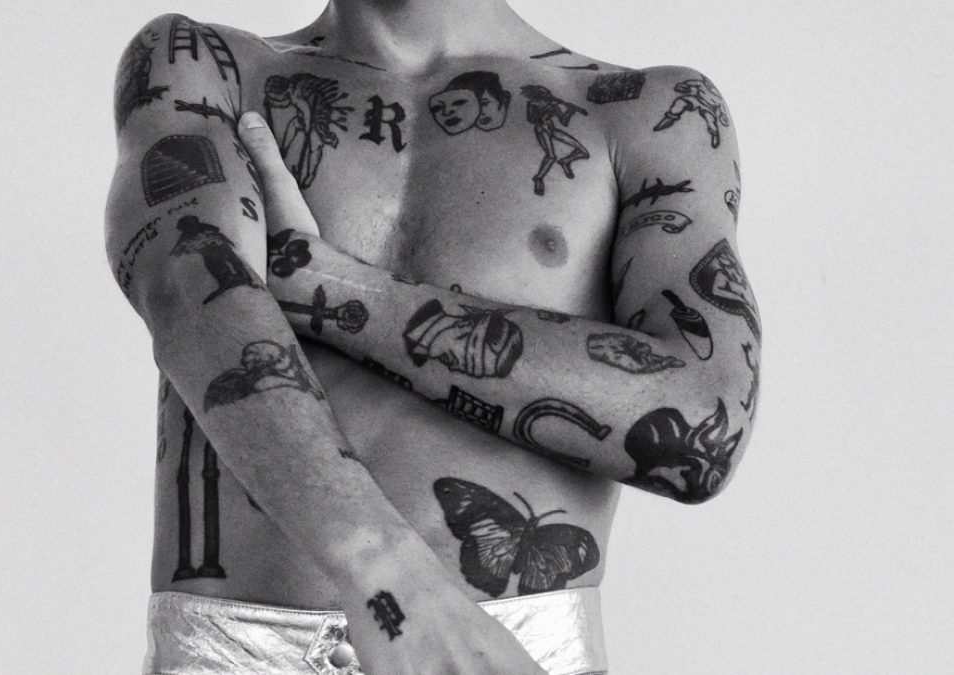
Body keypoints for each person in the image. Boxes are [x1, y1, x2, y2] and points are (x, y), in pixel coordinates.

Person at [105, 1, 760, 672]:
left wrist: (320, 283)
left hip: (503, 652)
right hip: (234, 654)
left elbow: (701, 426)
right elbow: (186, 287)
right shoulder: (205, 66)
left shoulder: (641, 113)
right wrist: (388, 577)